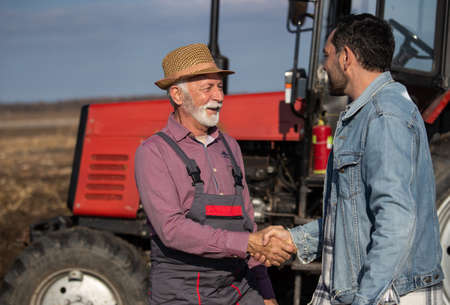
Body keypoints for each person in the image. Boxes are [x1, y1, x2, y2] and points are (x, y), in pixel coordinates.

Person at [259, 14, 444, 305]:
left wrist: (365, 299)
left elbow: (396, 222)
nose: (324, 65)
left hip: (385, 295)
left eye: (327, 55)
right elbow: (354, 219)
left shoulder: (385, 116)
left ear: (346, 57)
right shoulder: (367, 115)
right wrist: (295, 239)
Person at [134, 43, 295, 305]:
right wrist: (247, 243)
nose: (218, 96)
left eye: (220, 87)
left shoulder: (230, 146)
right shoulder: (154, 152)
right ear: (177, 95)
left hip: (238, 287)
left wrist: (266, 292)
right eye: (207, 88)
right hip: (182, 292)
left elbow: (247, 224)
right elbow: (171, 230)